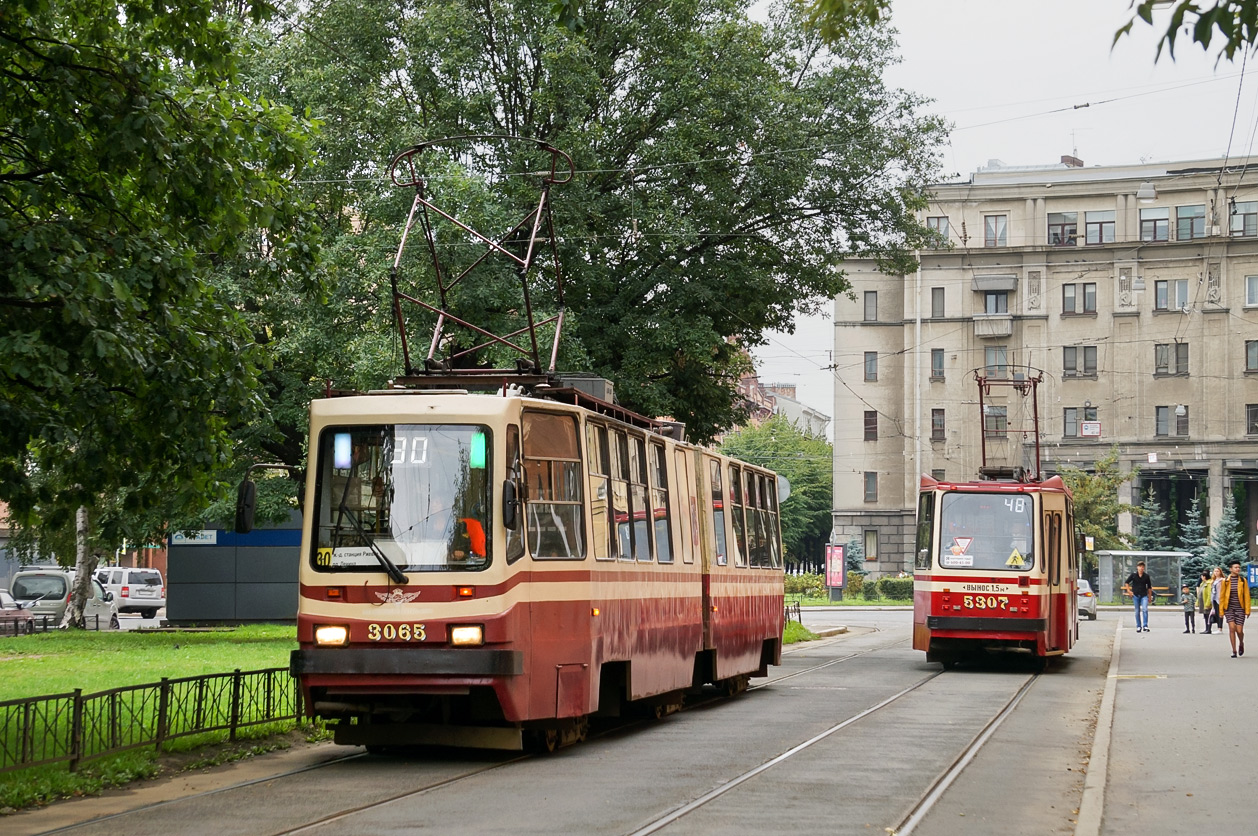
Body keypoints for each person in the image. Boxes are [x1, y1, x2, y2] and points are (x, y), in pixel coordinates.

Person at [1219, 560, 1251, 658]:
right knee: (1232, 628)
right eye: (1235, 567)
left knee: (1239, 630)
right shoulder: (1225, 581)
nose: (1238, 569)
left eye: (1238, 567)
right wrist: (1221, 611)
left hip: (1240, 608)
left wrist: (1247, 610)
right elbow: (1222, 596)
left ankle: (1241, 643)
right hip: (1229, 608)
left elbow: (1246, 595)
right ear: (1230, 569)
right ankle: (1234, 650)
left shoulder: (1242, 580)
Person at [1125, 561, 1154, 632]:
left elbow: (1149, 587)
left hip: (1144, 595)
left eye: (1142, 567)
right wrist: (1129, 591)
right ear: (1137, 567)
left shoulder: (1146, 576)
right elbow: (1127, 582)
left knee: (1145, 609)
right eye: (1140, 566)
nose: (1141, 568)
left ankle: (1145, 626)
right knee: (1137, 611)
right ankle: (1138, 626)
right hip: (1135, 595)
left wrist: (1149, 597)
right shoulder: (1133, 575)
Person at [1211, 566, 1225, 632]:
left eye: (1217, 571)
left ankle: (1220, 628)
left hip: (1219, 599)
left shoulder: (1222, 580)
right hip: (1214, 598)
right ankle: (1218, 627)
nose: (1216, 573)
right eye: (1215, 571)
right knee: (1216, 613)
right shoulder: (1214, 580)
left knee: (1220, 613)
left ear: (1220, 572)